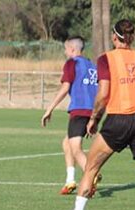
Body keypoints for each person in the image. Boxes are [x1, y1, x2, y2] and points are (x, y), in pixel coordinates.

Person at [58, 19, 135, 210]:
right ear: (132, 37)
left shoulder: (107, 59)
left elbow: (103, 93)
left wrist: (94, 119)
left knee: (91, 167)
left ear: (114, 37)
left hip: (118, 120)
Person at [41, 36, 97, 195]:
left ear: (72, 49)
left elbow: (66, 87)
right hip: (91, 111)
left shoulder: (72, 63)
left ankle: (93, 175)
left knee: (76, 148)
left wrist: (49, 109)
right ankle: (70, 180)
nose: (65, 52)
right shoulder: (92, 65)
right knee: (67, 144)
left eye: (66, 49)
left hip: (79, 110)